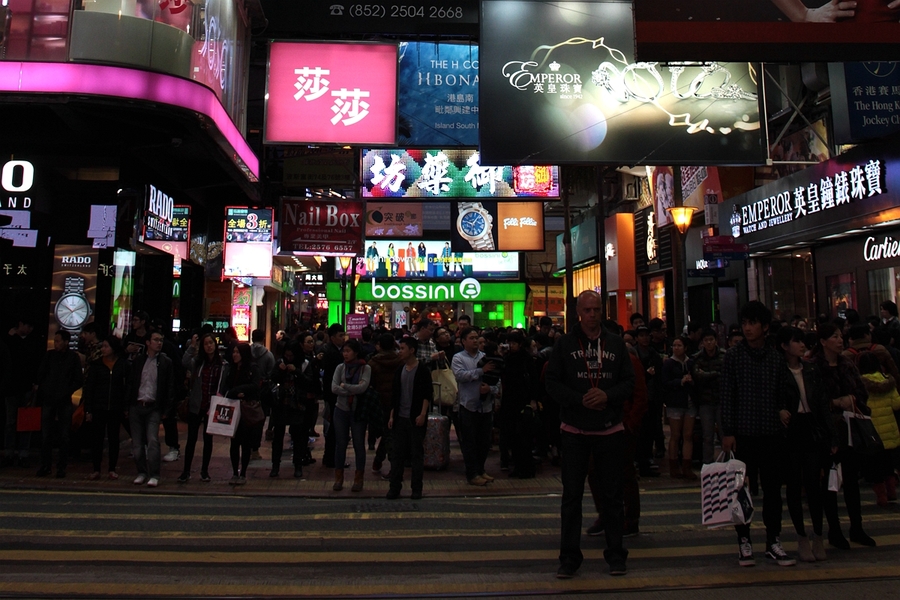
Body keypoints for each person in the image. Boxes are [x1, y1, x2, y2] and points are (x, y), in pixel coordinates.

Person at [545, 290, 634, 579]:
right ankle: (569, 558)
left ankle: (616, 555)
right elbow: (552, 382)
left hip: (609, 430)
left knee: (611, 496)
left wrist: (606, 396)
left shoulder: (617, 345)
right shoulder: (565, 345)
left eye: (597, 310)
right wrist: (577, 398)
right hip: (574, 430)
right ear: (578, 312)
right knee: (571, 497)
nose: (592, 315)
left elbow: (629, 383)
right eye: (587, 310)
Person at [720, 301, 799, 567]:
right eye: (744, 323)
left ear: (765, 327)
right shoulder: (733, 356)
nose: (748, 328)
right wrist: (728, 431)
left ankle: (772, 540)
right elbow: (727, 396)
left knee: (773, 490)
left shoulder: (775, 357)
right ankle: (744, 541)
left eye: (753, 323)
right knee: (741, 490)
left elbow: (781, 394)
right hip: (742, 434)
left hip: (771, 433)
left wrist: (782, 411)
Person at [811, 323, 875, 548]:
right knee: (830, 483)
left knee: (851, 482)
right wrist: (834, 402)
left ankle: (857, 527)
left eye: (841, 336)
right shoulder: (814, 367)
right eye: (835, 337)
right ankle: (834, 530)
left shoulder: (847, 364)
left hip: (850, 430)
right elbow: (813, 401)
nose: (840, 340)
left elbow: (861, 392)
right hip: (828, 433)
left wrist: (853, 400)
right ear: (823, 341)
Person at [778, 326, 835, 563]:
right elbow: (774, 398)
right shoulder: (779, 372)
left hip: (812, 429)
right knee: (793, 485)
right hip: (791, 430)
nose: (802, 346)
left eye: (803, 342)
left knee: (814, 485)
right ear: (784, 346)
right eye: (796, 341)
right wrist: (779, 410)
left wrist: (832, 437)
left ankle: (818, 535)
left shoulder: (811, 370)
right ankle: (801, 537)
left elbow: (823, 405)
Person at [386, 337, 433, 500]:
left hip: (415, 418)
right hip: (400, 417)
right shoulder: (400, 370)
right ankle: (394, 487)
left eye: (403, 348)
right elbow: (395, 395)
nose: (400, 351)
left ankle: (416, 488)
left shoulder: (422, 370)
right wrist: (392, 416)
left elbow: (427, 394)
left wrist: (422, 414)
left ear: (412, 350)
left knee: (416, 454)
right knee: (397, 454)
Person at [126, 331, 174, 487]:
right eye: (155, 340)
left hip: (153, 407)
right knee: (137, 443)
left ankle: (154, 474)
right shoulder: (139, 361)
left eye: (161, 340)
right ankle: (141, 472)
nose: (159, 343)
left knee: (152, 440)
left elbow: (169, 387)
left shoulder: (165, 362)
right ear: (148, 342)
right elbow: (131, 383)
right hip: (137, 405)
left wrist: (166, 409)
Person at [452, 326, 499, 486]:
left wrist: (490, 389)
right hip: (468, 405)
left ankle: (481, 469)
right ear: (463, 341)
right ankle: (472, 473)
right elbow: (460, 376)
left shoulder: (486, 357)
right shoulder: (458, 358)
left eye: (477, 338)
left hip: (485, 406)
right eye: (471, 338)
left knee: (484, 441)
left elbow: (496, 380)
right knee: (470, 441)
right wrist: (480, 371)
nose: (475, 341)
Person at [35, 330, 84, 478]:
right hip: (50, 398)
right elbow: (40, 375)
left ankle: (61, 467)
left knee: (64, 435)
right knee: (46, 435)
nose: (56, 344)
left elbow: (78, 379)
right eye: (55, 341)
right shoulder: (50, 356)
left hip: (63, 400)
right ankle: (45, 465)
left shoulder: (72, 358)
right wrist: (45, 389)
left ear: (66, 342)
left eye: (58, 341)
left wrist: (66, 391)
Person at [179, 332, 226, 483]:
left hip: (212, 405)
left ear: (215, 345)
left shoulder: (222, 365)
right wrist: (192, 346)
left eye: (211, 343)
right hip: (197, 404)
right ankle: (186, 471)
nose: (209, 346)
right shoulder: (198, 362)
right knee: (191, 438)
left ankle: (204, 471)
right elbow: (185, 361)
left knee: (208, 439)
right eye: (206, 344)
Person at [856, 351, 900, 507]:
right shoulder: (888, 382)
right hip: (889, 430)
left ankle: (881, 496)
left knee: (875, 466)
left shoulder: (859, 384)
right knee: (888, 463)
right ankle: (892, 492)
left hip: (871, 431)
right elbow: (897, 404)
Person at [83, 336, 128, 480]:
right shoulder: (97, 365)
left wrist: (125, 406)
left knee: (114, 438)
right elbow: (89, 388)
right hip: (99, 406)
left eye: (106, 346)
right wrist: (88, 409)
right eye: (102, 346)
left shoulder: (122, 365)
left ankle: (112, 468)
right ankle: (96, 468)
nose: (103, 349)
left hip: (115, 407)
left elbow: (126, 387)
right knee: (97, 438)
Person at [330, 339, 372, 492]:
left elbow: (363, 387)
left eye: (348, 351)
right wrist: (351, 389)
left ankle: (358, 478)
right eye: (344, 351)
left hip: (357, 411)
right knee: (340, 444)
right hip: (340, 410)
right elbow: (334, 388)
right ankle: (338, 478)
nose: (345, 354)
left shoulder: (365, 368)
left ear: (355, 352)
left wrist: (345, 386)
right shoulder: (340, 368)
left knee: (358, 445)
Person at [3, 317, 42, 468]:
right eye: (27, 326)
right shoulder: (10, 340)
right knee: (11, 422)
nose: (29, 329)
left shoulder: (32, 341)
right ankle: (9, 452)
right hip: (12, 386)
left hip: (26, 386)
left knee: (25, 421)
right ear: (20, 324)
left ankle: (22, 453)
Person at [221, 343, 262, 485]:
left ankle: (243, 472)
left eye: (237, 352)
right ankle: (234, 472)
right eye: (233, 352)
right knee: (234, 442)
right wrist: (232, 392)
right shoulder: (231, 368)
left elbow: (256, 386)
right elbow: (225, 385)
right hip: (233, 407)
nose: (234, 355)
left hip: (246, 409)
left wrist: (239, 390)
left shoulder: (252, 368)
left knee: (245, 442)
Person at [499, 331, 538, 478]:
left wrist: (533, 399)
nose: (511, 346)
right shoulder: (508, 358)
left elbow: (533, 380)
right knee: (513, 436)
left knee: (523, 437)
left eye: (513, 343)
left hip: (523, 401)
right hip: (509, 401)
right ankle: (517, 466)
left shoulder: (526, 359)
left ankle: (526, 467)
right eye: (509, 343)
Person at [368, 333, 404, 475]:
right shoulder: (401, 361)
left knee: (388, 433)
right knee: (391, 433)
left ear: (380, 346)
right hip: (398, 402)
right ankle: (380, 460)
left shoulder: (373, 363)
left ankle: (390, 465)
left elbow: (371, 384)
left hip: (380, 402)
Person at [269, 343, 306, 479]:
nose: (288, 358)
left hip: (297, 405)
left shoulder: (303, 364)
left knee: (297, 438)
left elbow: (308, 382)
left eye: (291, 356)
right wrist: (281, 371)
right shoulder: (279, 363)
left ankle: (298, 465)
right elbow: (273, 378)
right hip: (281, 404)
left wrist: (296, 371)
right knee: (278, 436)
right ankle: (275, 466)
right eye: (287, 356)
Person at [662, 336, 697, 480]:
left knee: (688, 435)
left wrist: (692, 381)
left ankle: (687, 467)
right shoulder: (669, 363)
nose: (676, 348)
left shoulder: (691, 362)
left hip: (689, 402)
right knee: (675, 435)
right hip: (675, 402)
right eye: (674, 345)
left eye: (679, 345)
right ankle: (674, 466)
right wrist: (680, 382)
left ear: (685, 348)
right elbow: (665, 383)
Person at [692, 329, 726, 465]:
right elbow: (698, 376)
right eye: (706, 340)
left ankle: (727, 462)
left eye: (711, 339)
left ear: (716, 340)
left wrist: (710, 375)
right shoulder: (698, 357)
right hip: (705, 401)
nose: (709, 342)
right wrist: (715, 374)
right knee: (707, 435)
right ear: (702, 342)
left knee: (725, 434)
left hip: (722, 400)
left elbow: (725, 376)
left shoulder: (725, 355)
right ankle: (708, 463)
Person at [634, 325, 663, 477]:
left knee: (651, 430)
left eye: (647, 335)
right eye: (642, 335)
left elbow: (659, 376)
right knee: (640, 431)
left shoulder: (654, 354)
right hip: (639, 399)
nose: (645, 338)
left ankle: (647, 459)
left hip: (652, 398)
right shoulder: (634, 354)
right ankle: (639, 460)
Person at [320, 324, 346, 468]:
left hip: (335, 393)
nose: (343, 338)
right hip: (333, 394)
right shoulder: (330, 352)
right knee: (334, 427)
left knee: (336, 427)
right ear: (332, 337)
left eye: (344, 335)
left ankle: (331, 456)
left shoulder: (339, 350)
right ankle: (330, 457)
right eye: (340, 336)